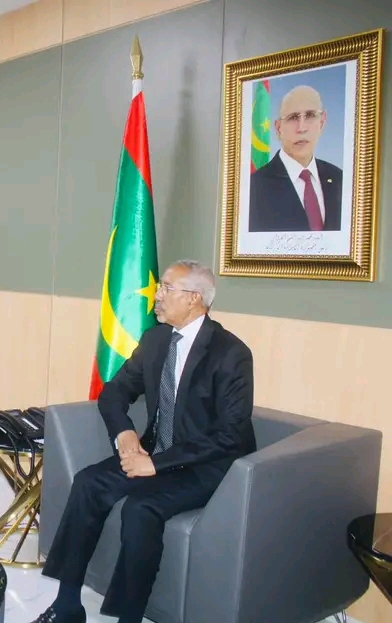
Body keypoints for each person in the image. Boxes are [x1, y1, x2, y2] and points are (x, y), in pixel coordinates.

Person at [31, 260, 256, 623]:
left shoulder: (230, 353)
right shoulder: (156, 340)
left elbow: (230, 435)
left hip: (205, 465)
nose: (157, 295)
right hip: (155, 450)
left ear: (194, 298)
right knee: (88, 483)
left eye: (166, 287)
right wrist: (123, 432)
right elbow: (115, 392)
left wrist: (155, 463)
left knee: (140, 508)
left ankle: (129, 617)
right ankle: (67, 605)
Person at [249, 85, 342, 232]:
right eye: (293, 118)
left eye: (310, 115)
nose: (301, 128)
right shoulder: (253, 187)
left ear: (322, 122)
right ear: (278, 128)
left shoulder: (340, 179)